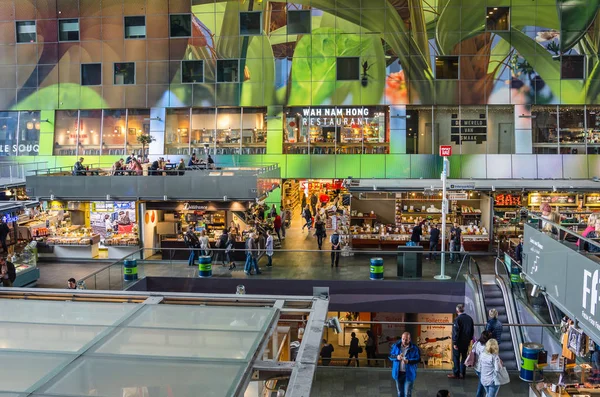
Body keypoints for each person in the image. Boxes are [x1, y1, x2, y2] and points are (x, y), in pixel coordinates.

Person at [389, 332, 421, 397]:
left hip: (409, 374)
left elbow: (418, 359)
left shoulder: (414, 348)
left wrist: (409, 361)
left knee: (407, 394)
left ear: (409, 339)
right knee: (400, 393)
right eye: (403, 339)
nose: (404, 341)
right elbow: (390, 356)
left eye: (406, 339)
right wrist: (397, 357)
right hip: (398, 374)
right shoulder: (396, 346)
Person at [449, 303, 474, 379]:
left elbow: (456, 332)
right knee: (464, 357)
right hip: (466, 342)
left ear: (457, 311)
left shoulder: (457, 319)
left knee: (456, 357)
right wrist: (470, 340)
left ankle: (456, 373)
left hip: (458, 342)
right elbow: (472, 331)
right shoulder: (470, 318)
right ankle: (462, 373)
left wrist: (455, 343)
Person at [472, 331, 492, 397]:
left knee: (482, 383)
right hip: (483, 369)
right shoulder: (486, 348)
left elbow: (473, 351)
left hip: (476, 367)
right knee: (482, 385)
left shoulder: (477, 343)